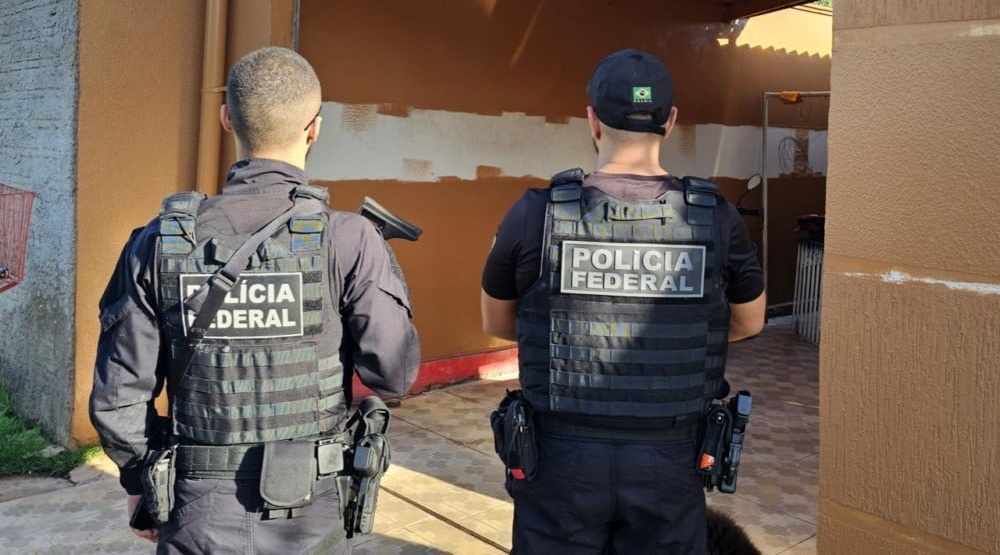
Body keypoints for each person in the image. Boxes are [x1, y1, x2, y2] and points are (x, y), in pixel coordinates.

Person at [90, 46, 420, 554]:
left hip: (196, 512)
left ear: (227, 118)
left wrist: (141, 484)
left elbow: (119, 398)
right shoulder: (350, 239)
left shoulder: (159, 242)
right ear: (315, 128)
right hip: (311, 514)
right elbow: (393, 375)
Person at [480, 48, 765, 554]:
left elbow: (499, 322)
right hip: (671, 457)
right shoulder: (716, 216)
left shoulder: (535, 213)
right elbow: (749, 321)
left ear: (592, 121)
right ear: (670, 121)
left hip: (559, 458)